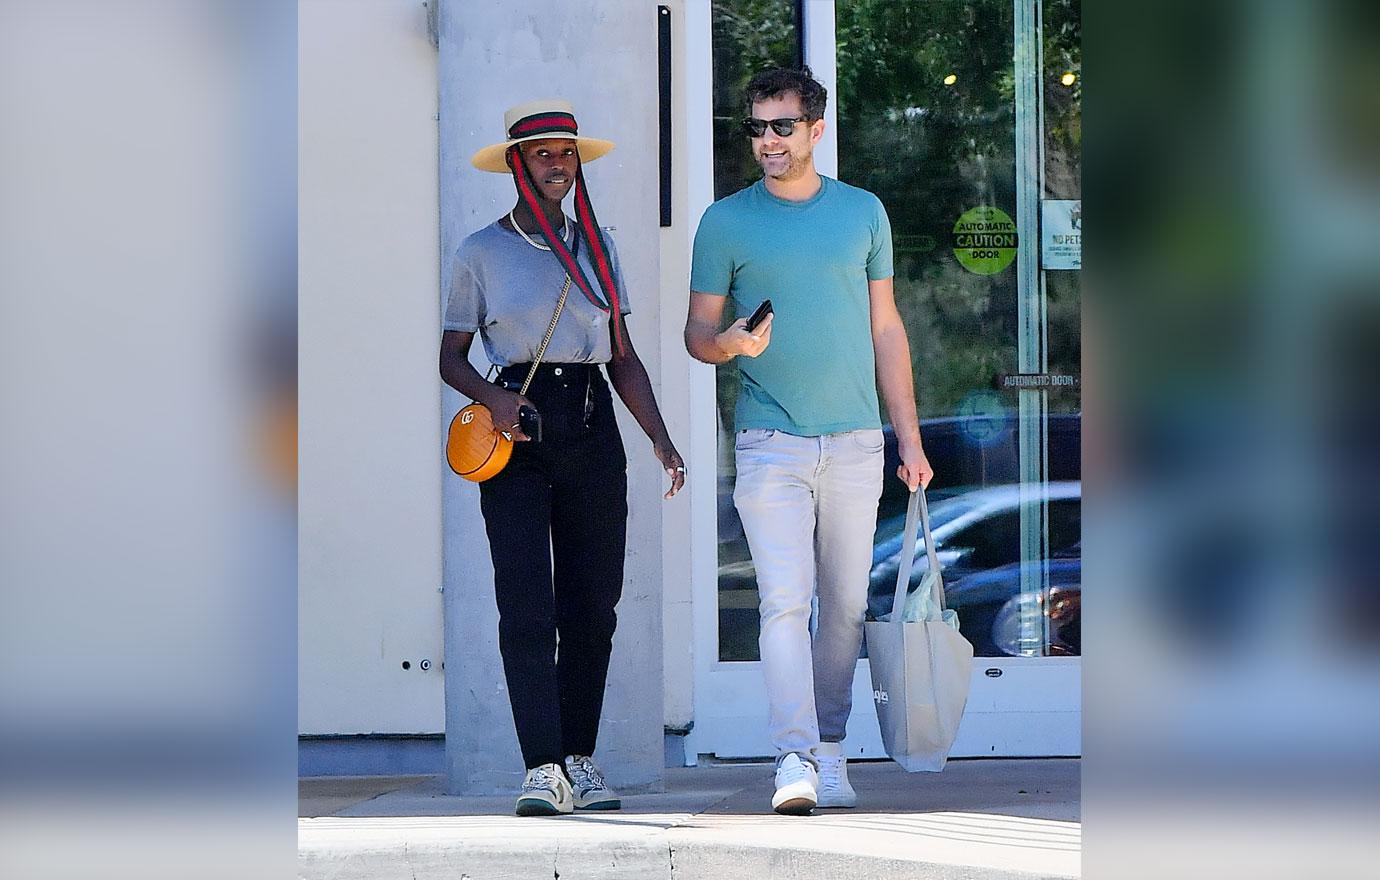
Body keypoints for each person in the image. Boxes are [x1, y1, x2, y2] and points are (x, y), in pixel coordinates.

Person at [684, 68, 933, 815]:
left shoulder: (862, 212)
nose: (766, 140)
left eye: (781, 126)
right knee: (784, 603)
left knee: (846, 609)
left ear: (816, 130)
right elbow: (697, 335)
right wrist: (727, 343)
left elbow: (886, 330)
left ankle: (831, 748)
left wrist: (909, 440)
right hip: (770, 441)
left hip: (857, 442)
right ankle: (792, 755)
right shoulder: (724, 221)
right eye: (756, 127)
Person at [440, 98, 685, 817]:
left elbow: (624, 358)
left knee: (593, 604)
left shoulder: (598, 246)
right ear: (517, 165)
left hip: (590, 424)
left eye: (567, 152)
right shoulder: (479, 252)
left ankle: (579, 757)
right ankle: (540, 767)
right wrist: (494, 397)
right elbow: (451, 357)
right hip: (515, 432)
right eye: (543, 152)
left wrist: (661, 440)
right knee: (525, 604)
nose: (558, 164)